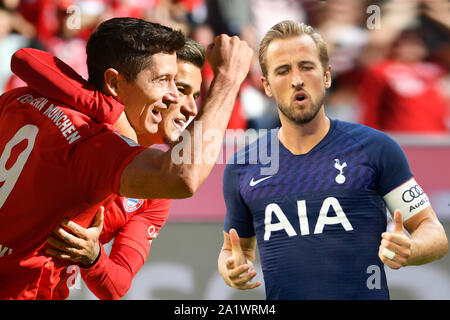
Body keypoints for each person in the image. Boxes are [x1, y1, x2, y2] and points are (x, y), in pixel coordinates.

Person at [0, 17, 253, 299]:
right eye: (174, 86)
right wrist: (228, 79)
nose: (190, 107)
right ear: (115, 82)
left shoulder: (20, 99)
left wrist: (94, 257)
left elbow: (118, 284)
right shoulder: (98, 147)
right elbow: (183, 176)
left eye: (193, 94)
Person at [217, 20, 448, 299]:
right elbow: (234, 249)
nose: (297, 79)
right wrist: (231, 268)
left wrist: (412, 249)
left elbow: (432, 230)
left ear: (326, 76)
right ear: (266, 86)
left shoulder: (376, 149)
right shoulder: (243, 165)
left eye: (306, 66)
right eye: (283, 70)